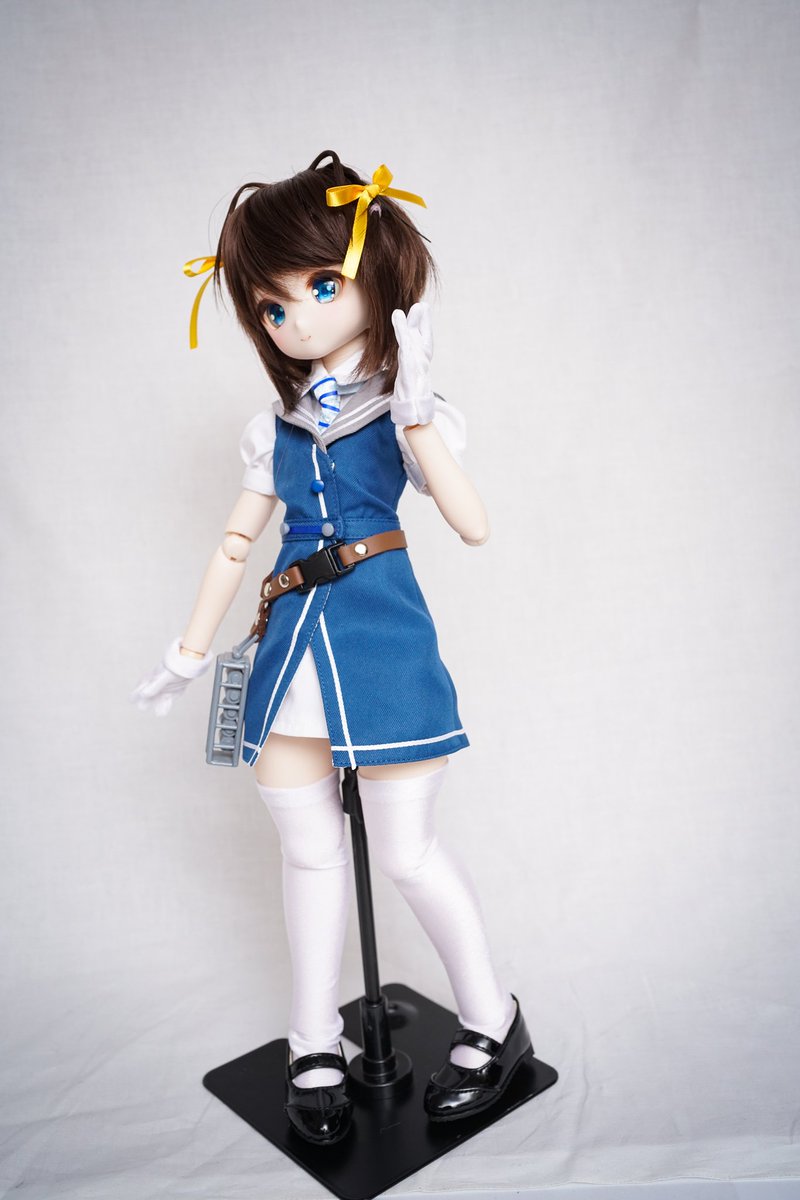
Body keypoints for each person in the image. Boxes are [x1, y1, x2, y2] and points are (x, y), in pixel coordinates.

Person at [132, 151, 533, 1145]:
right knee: (308, 854)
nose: (296, 319)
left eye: (319, 286)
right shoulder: (270, 427)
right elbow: (237, 542)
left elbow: (472, 523)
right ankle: (312, 1041)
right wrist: (188, 652)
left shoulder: (402, 408)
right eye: (272, 306)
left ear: (373, 276)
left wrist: (417, 415)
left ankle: (492, 1018)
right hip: (289, 649)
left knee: (405, 851)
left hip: (380, 646)